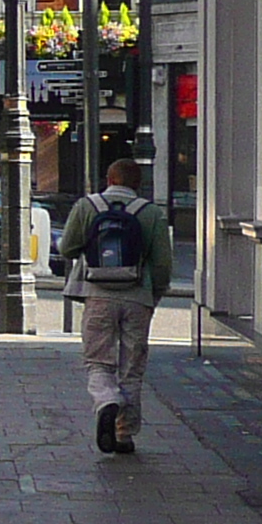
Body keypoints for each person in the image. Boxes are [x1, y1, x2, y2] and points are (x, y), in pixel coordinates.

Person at [58, 155, 173, 453]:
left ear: (109, 180)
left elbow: (67, 247)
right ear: (139, 183)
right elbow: (162, 264)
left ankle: (106, 401)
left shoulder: (87, 206)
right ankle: (124, 434)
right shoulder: (151, 213)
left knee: (98, 360)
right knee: (132, 367)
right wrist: (154, 295)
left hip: (97, 295)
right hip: (138, 296)